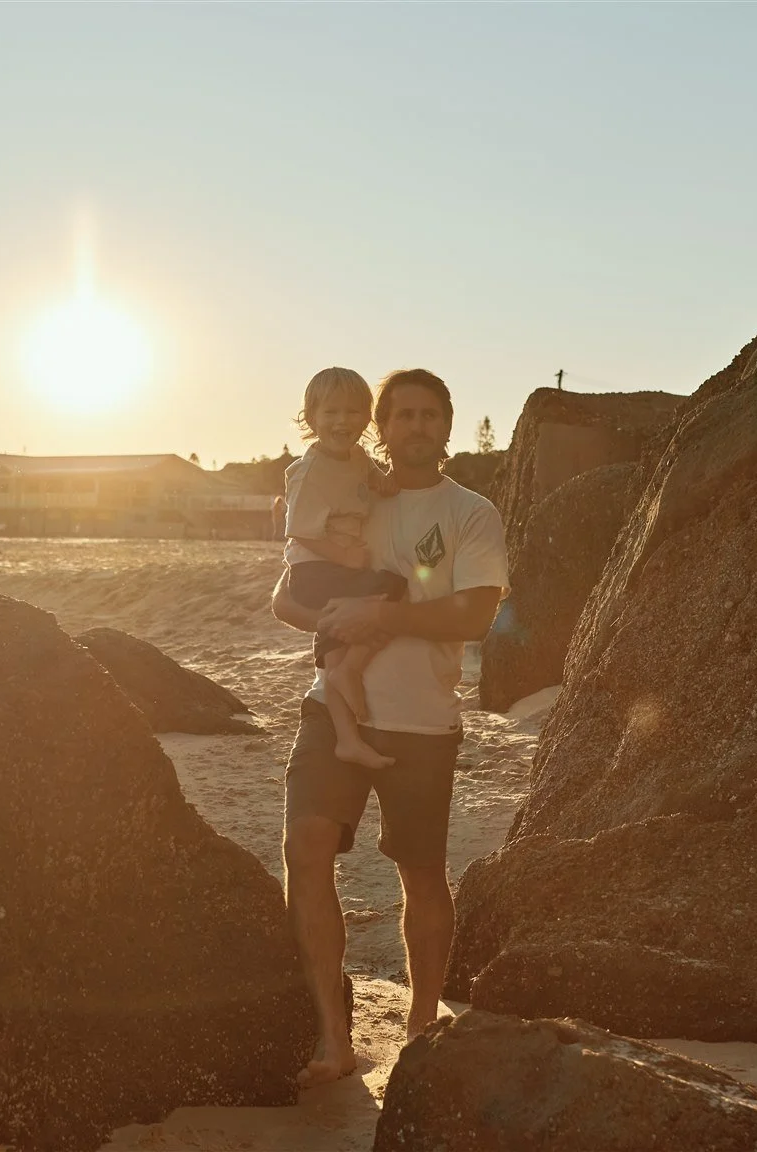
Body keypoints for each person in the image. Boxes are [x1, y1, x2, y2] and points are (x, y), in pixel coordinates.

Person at [269, 368, 508, 1088]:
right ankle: (331, 1038)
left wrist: (384, 614)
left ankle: (421, 1022)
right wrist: (334, 624)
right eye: (401, 414)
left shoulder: (466, 512)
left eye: (429, 415)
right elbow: (286, 595)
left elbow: (471, 615)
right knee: (305, 847)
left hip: (421, 721)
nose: (415, 426)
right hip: (332, 704)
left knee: (421, 872)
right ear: (382, 425)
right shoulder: (350, 493)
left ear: (447, 425)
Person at [282, 367, 404, 771]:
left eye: (354, 412)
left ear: (367, 417)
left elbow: (366, 475)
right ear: (310, 416)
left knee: (332, 661)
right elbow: (297, 531)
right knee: (392, 587)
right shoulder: (309, 471)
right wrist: (342, 556)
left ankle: (347, 740)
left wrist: (382, 480)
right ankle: (352, 668)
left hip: (331, 568)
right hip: (316, 569)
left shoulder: (355, 456)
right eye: (331, 412)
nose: (342, 422)